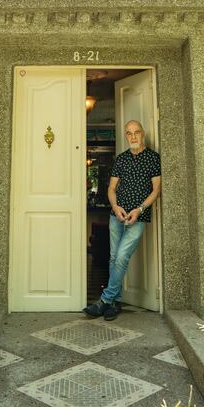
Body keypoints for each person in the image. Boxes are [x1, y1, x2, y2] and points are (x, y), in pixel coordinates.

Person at [84, 119, 161, 321]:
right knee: (112, 258)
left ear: (142, 134)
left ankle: (104, 300)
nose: (133, 136)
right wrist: (116, 207)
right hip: (116, 216)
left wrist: (139, 209)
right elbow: (111, 189)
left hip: (139, 216)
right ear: (126, 135)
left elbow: (156, 190)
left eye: (136, 132)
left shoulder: (153, 158)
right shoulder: (121, 159)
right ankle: (115, 302)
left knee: (121, 257)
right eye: (129, 133)